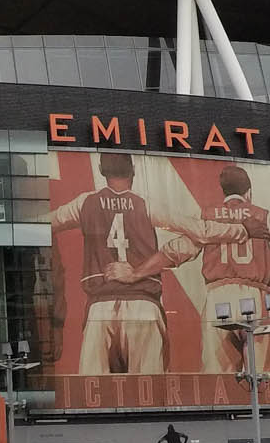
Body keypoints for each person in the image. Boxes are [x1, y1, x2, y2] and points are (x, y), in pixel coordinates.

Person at [48, 152, 188, 375]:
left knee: (93, 396)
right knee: (150, 394)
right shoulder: (145, 204)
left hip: (100, 308)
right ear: (133, 170)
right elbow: (197, 231)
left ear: (102, 172)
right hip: (144, 305)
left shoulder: (85, 202)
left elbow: (41, 223)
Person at [196, 164, 270, 375]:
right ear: (248, 191)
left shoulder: (206, 215)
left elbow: (182, 249)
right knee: (264, 376)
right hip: (255, 293)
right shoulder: (263, 215)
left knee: (218, 377)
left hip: (218, 296)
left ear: (223, 191)